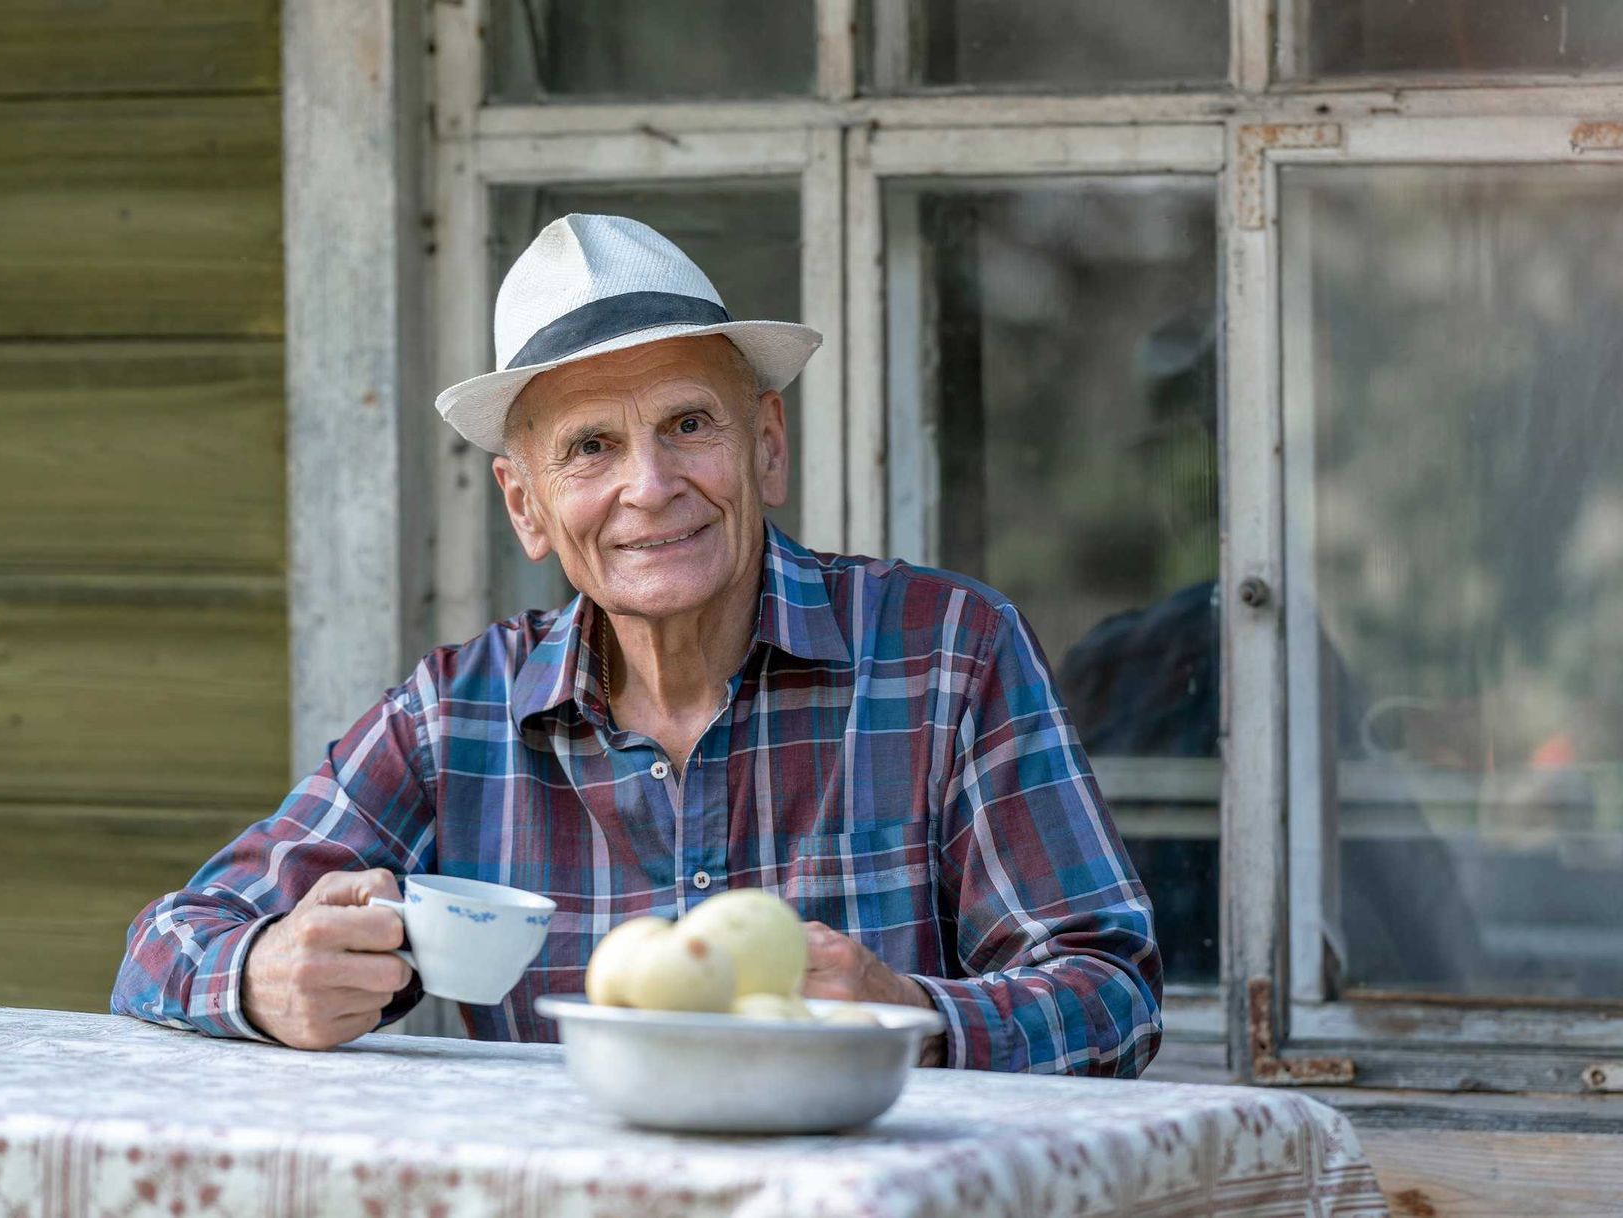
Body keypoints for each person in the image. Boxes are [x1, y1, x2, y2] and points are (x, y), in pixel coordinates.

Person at [112, 214, 1163, 1074]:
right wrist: (266, 974)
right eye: (591, 447)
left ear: (767, 445)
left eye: (688, 425)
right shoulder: (459, 711)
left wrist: (913, 1015)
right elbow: (164, 947)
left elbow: (1111, 994)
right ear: (526, 506)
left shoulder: (947, 654)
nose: (650, 487)